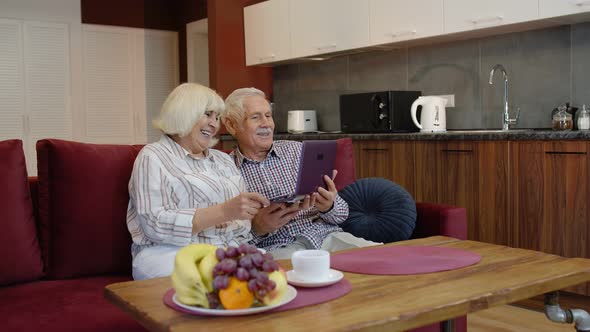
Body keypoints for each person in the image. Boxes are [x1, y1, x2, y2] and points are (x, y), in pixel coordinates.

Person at [127, 83, 269, 280]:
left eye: (217, 117)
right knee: (220, 277)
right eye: (208, 114)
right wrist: (223, 212)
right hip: (168, 252)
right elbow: (154, 223)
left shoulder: (223, 160)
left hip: (225, 250)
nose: (214, 124)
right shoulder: (153, 156)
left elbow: (242, 225)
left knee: (270, 269)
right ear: (184, 112)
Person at [223, 87, 379, 259]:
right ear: (231, 125)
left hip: (326, 238)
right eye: (255, 117)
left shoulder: (299, 151)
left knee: (381, 256)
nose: (266, 124)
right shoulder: (225, 171)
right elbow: (225, 241)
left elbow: (341, 214)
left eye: (268, 115)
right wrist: (257, 228)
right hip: (277, 249)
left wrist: (329, 206)